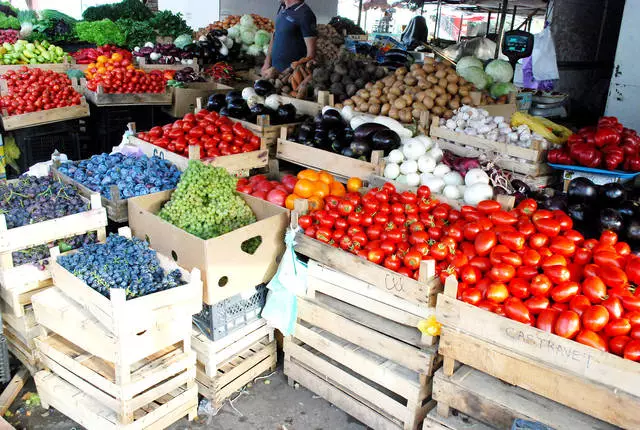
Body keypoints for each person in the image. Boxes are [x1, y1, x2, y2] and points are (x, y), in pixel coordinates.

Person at [262, 0, 317, 74]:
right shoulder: (282, 7)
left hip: (290, 77)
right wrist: (267, 62)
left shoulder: (306, 14)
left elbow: (311, 55)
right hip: (273, 72)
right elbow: (275, 35)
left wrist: (295, 76)